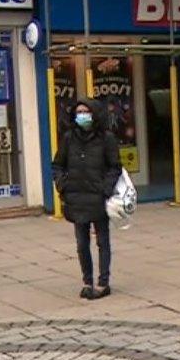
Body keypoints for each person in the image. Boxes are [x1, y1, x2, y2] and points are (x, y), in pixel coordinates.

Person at [52, 99, 122, 300]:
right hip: (76, 197)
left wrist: (105, 188)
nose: (82, 115)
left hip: (98, 197)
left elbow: (114, 166)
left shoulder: (106, 138)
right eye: (79, 112)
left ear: (95, 114)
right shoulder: (68, 138)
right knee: (82, 243)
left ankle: (103, 282)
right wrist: (62, 184)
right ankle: (87, 280)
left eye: (86, 111)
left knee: (102, 240)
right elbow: (58, 165)